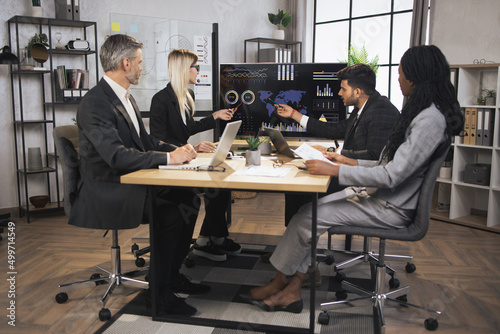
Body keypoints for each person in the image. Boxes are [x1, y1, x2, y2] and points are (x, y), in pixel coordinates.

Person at [244, 45, 464, 314]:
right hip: (383, 197)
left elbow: (392, 175)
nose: (398, 79)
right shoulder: (425, 113)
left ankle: (282, 283)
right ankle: (289, 287)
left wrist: (336, 170)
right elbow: (389, 164)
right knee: (307, 215)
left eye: (401, 73)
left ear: (415, 77)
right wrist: (347, 161)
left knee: (307, 217)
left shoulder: (428, 119)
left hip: (391, 207)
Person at [69, 35, 209, 317]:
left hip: (129, 183)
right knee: (170, 214)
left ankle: (171, 276)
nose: (142, 68)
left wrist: (180, 150)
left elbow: (146, 142)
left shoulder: (125, 98)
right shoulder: (95, 103)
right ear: (126, 63)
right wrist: (170, 159)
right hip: (107, 190)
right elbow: (117, 156)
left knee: (189, 199)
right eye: (140, 62)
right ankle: (158, 297)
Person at [275, 63, 400, 226]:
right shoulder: (363, 106)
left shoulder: (381, 110)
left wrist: (339, 156)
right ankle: (299, 236)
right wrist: (294, 114)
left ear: (357, 91)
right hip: (352, 171)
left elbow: (374, 157)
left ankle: (299, 234)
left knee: (299, 188)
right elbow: (334, 130)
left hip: (363, 182)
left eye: (343, 89)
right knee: (298, 183)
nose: (339, 93)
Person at [150, 49, 242, 262]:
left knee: (221, 185)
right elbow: (156, 140)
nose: (199, 72)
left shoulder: (187, 96)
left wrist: (214, 117)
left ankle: (211, 239)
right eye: (196, 68)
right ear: (183, 69)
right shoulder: (161, 100)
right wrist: (185, 149)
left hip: (184, 159)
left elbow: (188, 128)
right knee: (213, 188)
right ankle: (205, 242)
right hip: (170, 165)